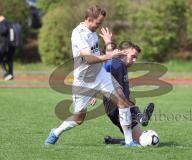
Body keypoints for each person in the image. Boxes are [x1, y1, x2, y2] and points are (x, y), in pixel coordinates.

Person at [45, 5, 142, 147]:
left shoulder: (93, 32)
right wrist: (110, 54)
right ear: (89, 19)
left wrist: (108, 43)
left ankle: (129, 142)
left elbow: (102, 58)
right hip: (83, 81)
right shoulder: (79, 34)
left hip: (100, 75)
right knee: (79, 119)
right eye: (98, 23)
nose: (99, 26)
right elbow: (89, 59)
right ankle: (56, 132)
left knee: (122, 101)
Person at [90, 41, 155, 145]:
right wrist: (93, 94)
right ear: (124, 53)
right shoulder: (116, 64)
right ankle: (141, 117)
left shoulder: (122, 65)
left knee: (140, 141)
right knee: (130, 106)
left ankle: (112, 140)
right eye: (133, 56)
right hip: (114, 106)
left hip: (122, 107)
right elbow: (101, 73)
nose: (134, 60)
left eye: (136, 58)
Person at [0, 15, 15, 80]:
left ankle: (6, 74)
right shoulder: (10, 23)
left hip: (5, 45)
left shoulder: (3, 23)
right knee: (9, 60)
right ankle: (10, 74)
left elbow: (3, 30)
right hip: (12, 45)